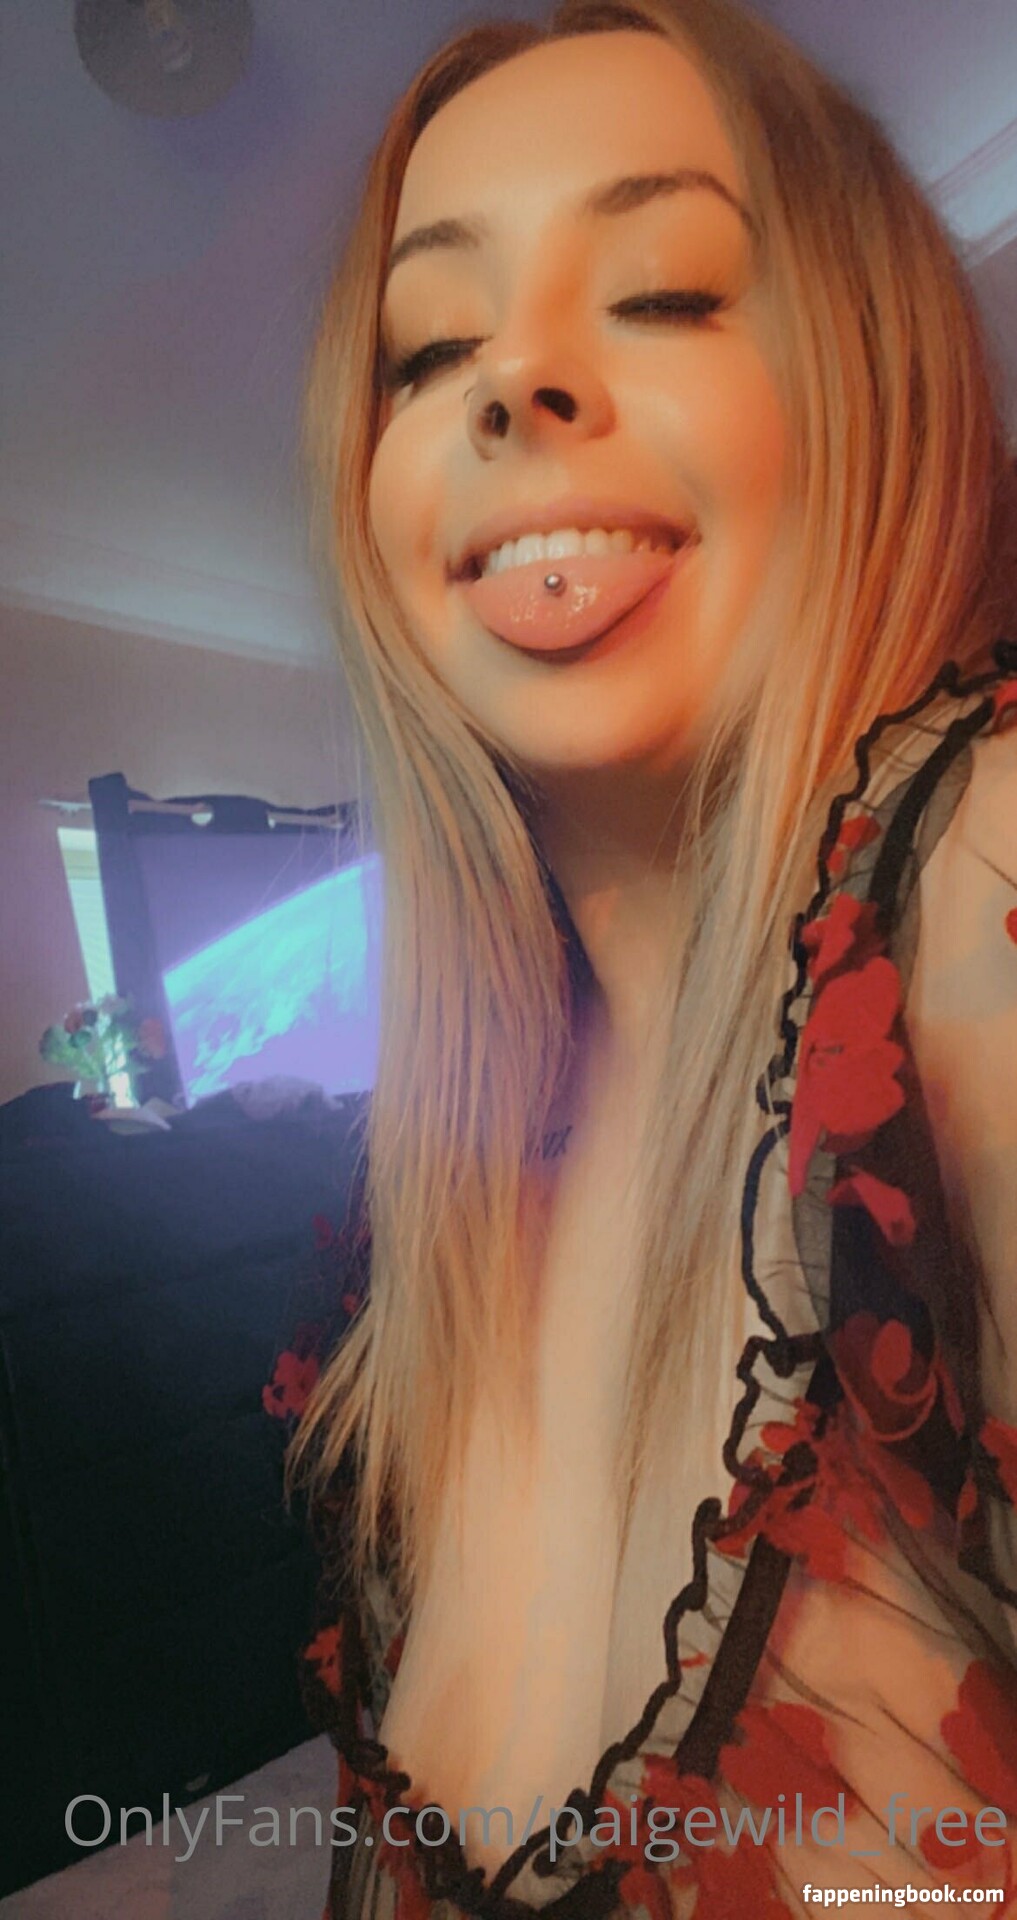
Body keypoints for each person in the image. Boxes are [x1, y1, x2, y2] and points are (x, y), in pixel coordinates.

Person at [266, 1, 1017, 1912]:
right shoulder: (442, 1192)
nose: (512, 380)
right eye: (431, 348)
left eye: (666, 291)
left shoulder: (984, 875)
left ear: (873, 377)